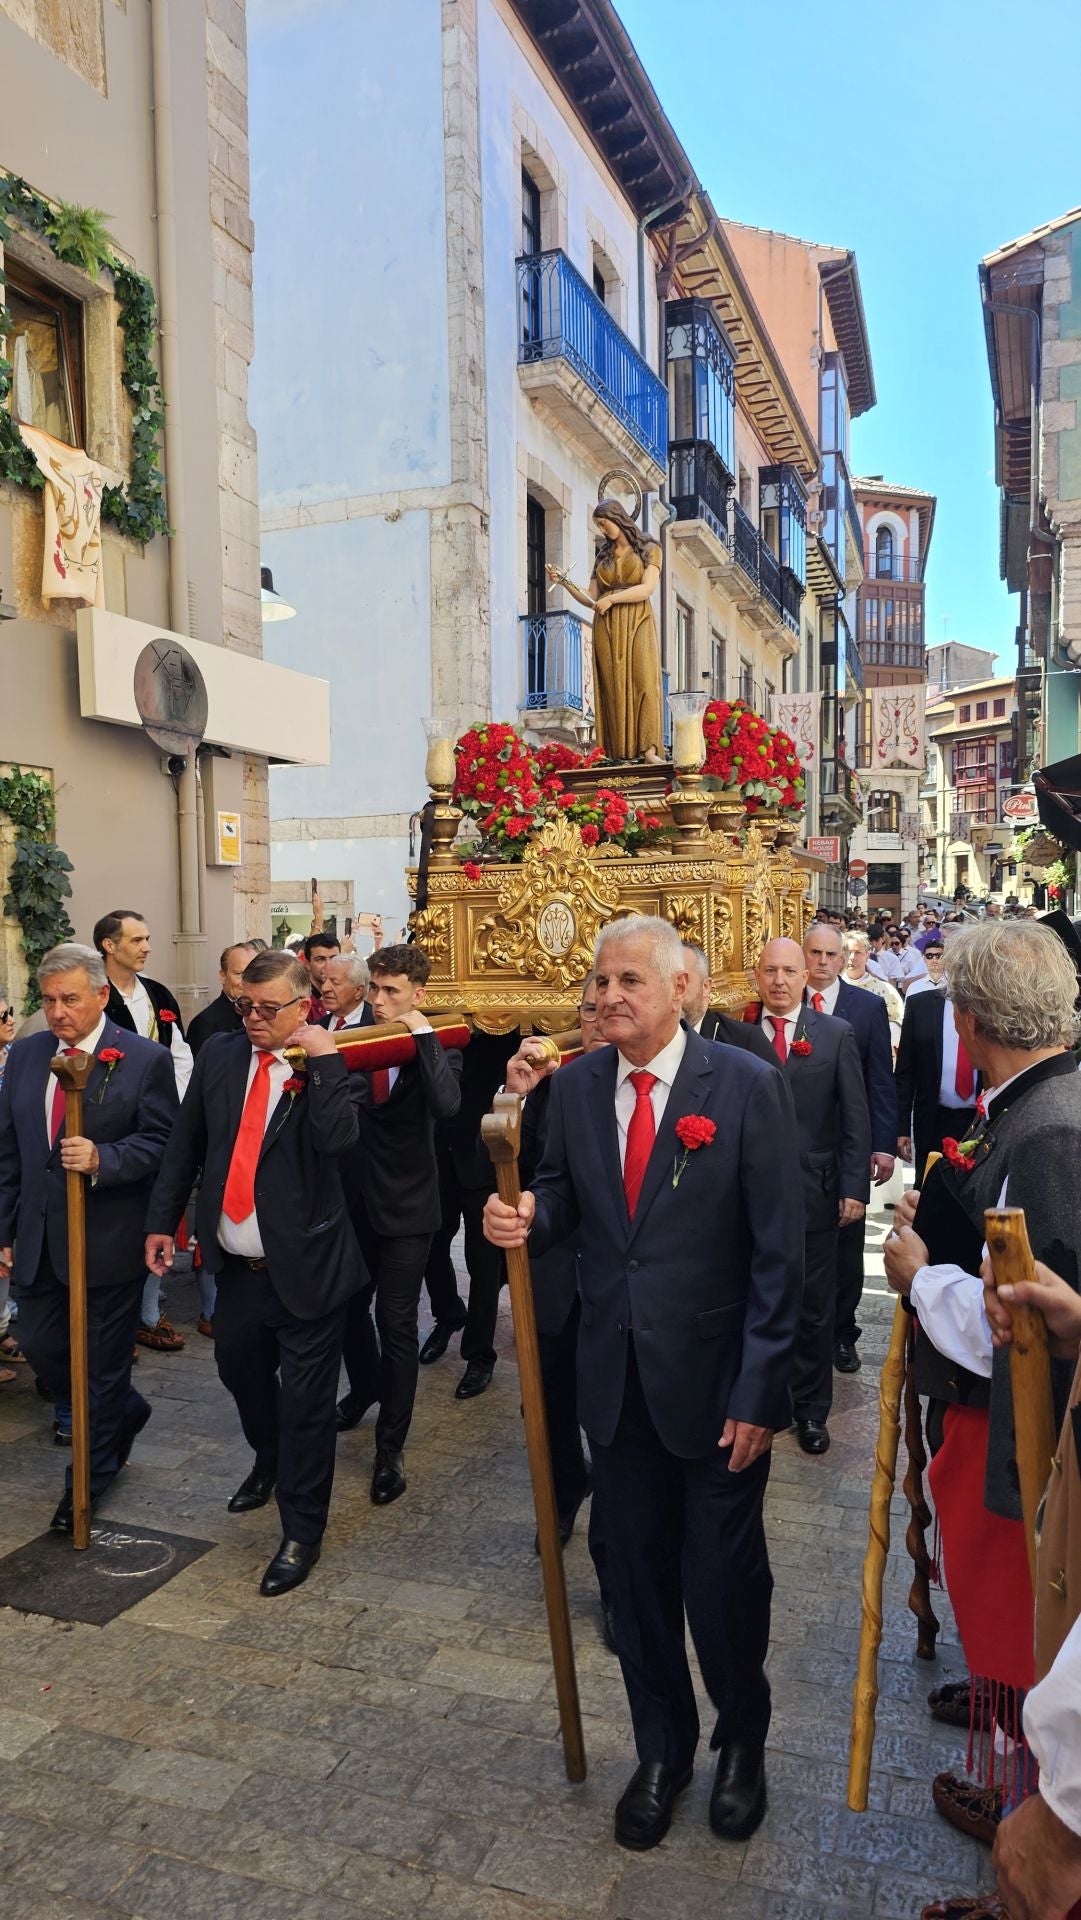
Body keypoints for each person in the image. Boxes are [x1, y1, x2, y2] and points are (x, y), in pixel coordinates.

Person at [485, 916, 803, 1852]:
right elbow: (558, 1198)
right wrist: (527, 1217)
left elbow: (779, 1260)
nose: (607, 997)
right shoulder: (578, 1087)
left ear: (678, 990)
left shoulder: (743, 1088)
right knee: (631, 1583)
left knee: (721, 1583)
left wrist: (760, 1394)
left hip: (714, 1394)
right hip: (613, 1386)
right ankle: (661, 1749)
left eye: (628, 981)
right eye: (598, 982)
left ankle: (741, 1741)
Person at [883, 920, 1081, 1857]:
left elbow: (1027, 1331)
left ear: (966, 1023)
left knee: (1026, 1639)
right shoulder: (1036, 1102)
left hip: (1023, 1449)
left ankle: (1027, 1820)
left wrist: (921, 1272)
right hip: (995, 1427)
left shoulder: (1050, 1131)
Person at [145, 950, 365, 1596]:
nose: (253, 1019)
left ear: (306, 1008)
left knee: (305, 1404)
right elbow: (187, 1143)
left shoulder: (331, 1062)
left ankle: (302, 1529)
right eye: (245, 1005)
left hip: (308, 1267)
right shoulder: (218, 1054)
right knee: (239, 1372)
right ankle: (269, 1461)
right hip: (236, 1267)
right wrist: (164, 1224)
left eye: (268, 1009)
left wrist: (322, 1062)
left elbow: (337, 1141)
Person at [0, 943, 178, 1530]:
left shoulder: (141, 1059)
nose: (58, 1013)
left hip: (107, 1238)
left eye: (70, 1000)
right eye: (49, 1001)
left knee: (98, 1366)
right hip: (38, 1238)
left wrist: (105, 1157)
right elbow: (9, 1152)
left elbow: (163, 1144)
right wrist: (4, 1228)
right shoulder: (25, 1057)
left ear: (101, 996)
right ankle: (125, 1410)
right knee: (45, 1348)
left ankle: (88, 1478)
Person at [334, 944, 462, 1505]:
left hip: (409, 1207)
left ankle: (391, 1447)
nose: (379, 1001)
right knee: (344, 1309)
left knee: (398, 1322)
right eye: (375, 989)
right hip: (353, 1200)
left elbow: (446, 1104)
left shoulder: (440, 1042)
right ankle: (364, 1387)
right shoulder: (351, 1035)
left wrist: (422, 1035)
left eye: (392, 992)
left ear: (418, 995)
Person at [748, 938, 870, 1453]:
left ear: (805, 978)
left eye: (789, 971)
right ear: (757, 976)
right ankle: (761, 1402)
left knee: (813, 1306)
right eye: (769, 971)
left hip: (814, 1195)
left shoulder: (835, 1034)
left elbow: (854, 1116)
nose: (779, 981)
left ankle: (812, 1409)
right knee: (756, 1300)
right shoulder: (733, 1036)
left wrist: (853, 1188)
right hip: (748, 1197)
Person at [500, 977, 605, 1562]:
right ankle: (564, 1491)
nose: (596, 1021)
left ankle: (614, 1556)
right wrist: (514, 1095)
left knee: (616, 1419)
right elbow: (515, 1168)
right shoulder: (550, 1085)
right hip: (558, 1273)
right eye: (587, 1010)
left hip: (621, 1280)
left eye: (607, 1009)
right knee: (547, 1402)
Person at [94, 908, 195, 1354]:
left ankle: (149, 1314)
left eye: (147, 938)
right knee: (118, 1222)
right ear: (108, 945)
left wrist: (179, 1110)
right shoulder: (95, 995)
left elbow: (179, 1053)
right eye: (136, 940)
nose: (147, 947)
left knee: (159, 1214)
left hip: (158, 1121)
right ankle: (114, 1317)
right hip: (114, 1126)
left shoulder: (157, 993)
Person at [803, 925, 897, 1374]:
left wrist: (882, 1145)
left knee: (846, 1242)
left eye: (831, 954)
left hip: (847, 1145)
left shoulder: (867, 1006)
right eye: (815, 953)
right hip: (798, 1146)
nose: (822, 962)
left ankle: (843, 1332)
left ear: (844, 960)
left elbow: (880, 1079)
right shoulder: (782, 1004)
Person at [420, 1028, 520, 1396]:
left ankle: (479, 1356)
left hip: (483, 1163)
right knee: (430, 1248)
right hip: (436, 1160)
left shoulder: (503, 1033)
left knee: (484, 1265)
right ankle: (448, 1315)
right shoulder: (436, 1026)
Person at [546, 501, 662, 762]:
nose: (601, 529)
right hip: (607, 625)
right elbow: (591, 597)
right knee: (611, 686)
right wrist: (564, 582)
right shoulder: (604, 556)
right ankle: (617, 752)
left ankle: (648, 749)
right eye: (597, 525)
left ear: (616, 517)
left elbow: (647, 588)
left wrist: (613, 600)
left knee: (644, 680)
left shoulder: (650, 548)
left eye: (603, 523)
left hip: (637, 618)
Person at [894, 967, 980, 1176]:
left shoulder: (994, 1006)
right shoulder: (920, 1005)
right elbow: (905, 1072)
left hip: (979, 1123)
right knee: (928, 1191)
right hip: (933, 1119)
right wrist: (901, 1128)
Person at [679, 943, 778, 1065]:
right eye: (665, 981)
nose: (671, 992)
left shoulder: (746, 1040)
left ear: (705, 987)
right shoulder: (651, 1040)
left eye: (681, 982)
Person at [188, 943, 258, 1055]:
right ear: (223, 976)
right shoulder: (204, 1023)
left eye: (254, 974)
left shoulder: (268, 1015)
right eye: (239, 974)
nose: (247, 981)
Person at [842, 932, 905, 1037]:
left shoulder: (887, 991)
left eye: (858, 952)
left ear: (867, 955)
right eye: (848, 952)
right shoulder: (833, 987)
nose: (852, 957)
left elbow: (898, 1021)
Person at [302, 929, 341, 1024]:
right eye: (320, 959)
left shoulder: (346, 995)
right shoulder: (301, 1002)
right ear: (307, 964)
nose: (328, 965)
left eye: (334, 958)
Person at [905, 933, 947, 997]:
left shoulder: (954, 986)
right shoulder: (913, 988)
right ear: (924, 959)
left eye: (938, 956)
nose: (934, 960)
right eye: (929, 956)